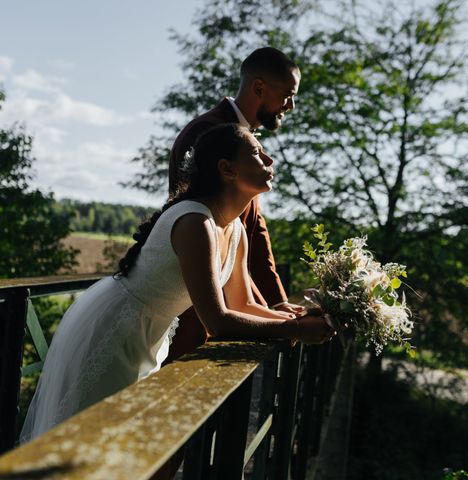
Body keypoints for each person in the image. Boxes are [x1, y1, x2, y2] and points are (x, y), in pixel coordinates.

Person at [20, 124, 334, 444]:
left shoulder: (235, 227)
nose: (269, 159)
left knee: (119, 438)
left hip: (151, 333)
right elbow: (218, 320)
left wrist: (295, 318)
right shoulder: (194, 222)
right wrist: (295, 331)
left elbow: (242, 304)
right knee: (89, 438)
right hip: (117, 329)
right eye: (256, 153)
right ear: (226, 169)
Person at [165, 47, 304, 363]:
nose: (291, 106)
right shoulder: (209, 133)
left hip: (223, 308)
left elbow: (253, 234)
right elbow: (203, 228)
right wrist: (273, 317)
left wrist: (277, 306)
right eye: (288, 95)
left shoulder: (247, 144)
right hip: (193, 312)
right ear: (259, 88)